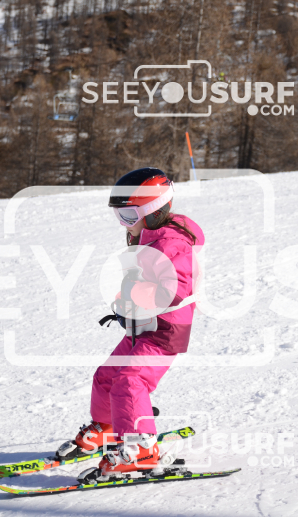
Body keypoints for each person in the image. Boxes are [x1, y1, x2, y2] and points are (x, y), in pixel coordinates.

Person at [56, 167, 205, 482]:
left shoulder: (171, 242)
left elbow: (174, 290)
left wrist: (135, 298)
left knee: (130, 381)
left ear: (153, 211)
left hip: (165, 330)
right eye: (119, 216)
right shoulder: (149, 235)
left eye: (128, 216)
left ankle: (140, 451)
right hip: (144, 325)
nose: (123, 224)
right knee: (107, 377)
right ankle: (109, 427)